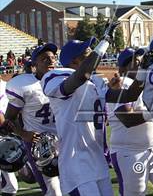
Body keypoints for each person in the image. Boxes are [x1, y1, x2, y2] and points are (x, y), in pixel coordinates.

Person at [41, 24, 143, 196]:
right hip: (76, 163)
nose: (91, 51)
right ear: (74, 61)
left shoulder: (95, 81)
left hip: (97, 160)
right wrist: (104, 43)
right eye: (86, 51)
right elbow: (80, 75)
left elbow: (128, 96)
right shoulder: (54, 76)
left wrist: (143, 70)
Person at [107, 47, 153, 196]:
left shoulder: (144, 83)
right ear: (124, 67)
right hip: (129, 152)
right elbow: (126, 118)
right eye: (136, 62)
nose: (141, 64)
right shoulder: (124, 82)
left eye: (141, 61)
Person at [5, 43, 62, 196]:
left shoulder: (63, 79)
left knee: (74, 184)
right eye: (44, 59)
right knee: (54, 191)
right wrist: (24, 134)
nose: (50, 61)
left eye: (52, 58)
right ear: (35, 64)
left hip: (65, 139)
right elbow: (10, 118)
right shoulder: (24, 85)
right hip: (39, 144)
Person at [0, 77, 19, 196]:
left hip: (7, 131)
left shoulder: (8, 85)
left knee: (8, 184)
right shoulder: (9, 85)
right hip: (9, 131)